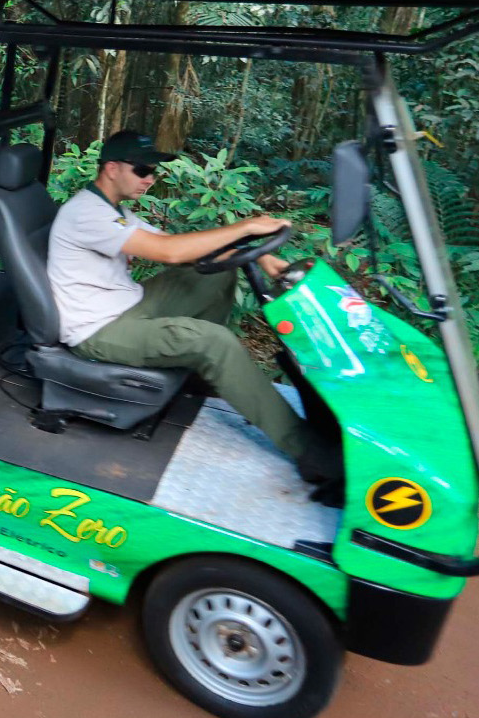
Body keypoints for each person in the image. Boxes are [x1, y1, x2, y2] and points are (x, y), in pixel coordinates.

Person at [46, 130, 336, 485]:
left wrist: (261, 258)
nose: (150, 179)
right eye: (142, 170)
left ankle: (195, 375)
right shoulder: (85, 213)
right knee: (214, 341)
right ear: (110, 168)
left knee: (216, 275)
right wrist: (246, 226)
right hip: (98, 330)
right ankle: (308, 450)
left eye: (153, 171)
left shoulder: (113, 211)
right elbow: (170, 253)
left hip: (128, 303)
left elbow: (171, 243)